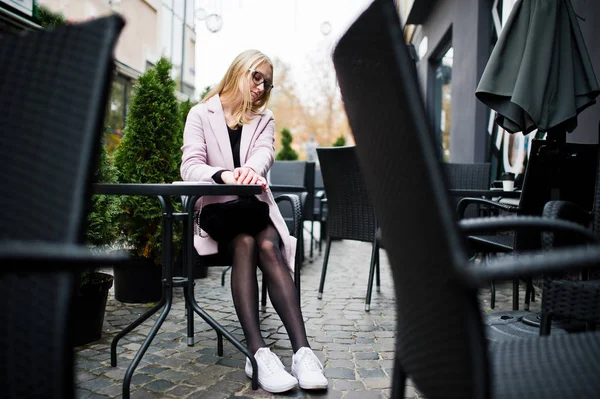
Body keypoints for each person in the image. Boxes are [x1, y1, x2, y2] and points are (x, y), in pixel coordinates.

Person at [180, 49, 328, 393]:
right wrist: (224, 175)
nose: (261, 87)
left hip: (253, 208)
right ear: (239, 70)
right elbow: (190, 166)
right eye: (256, 76)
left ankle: (303, 352)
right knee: (245, 243)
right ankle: (257, 351)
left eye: (268, 82)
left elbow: (265, 153)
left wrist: (251, 170)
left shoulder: (264, 118)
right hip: (218, 213)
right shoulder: (200, 114)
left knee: (265, 243)